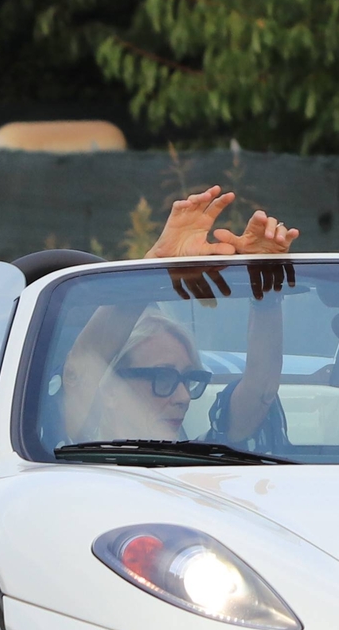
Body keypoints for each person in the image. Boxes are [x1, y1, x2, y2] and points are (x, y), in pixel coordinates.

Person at [57, 188, 298, 448]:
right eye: (164, 378)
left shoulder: (208, 456)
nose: (184, 397)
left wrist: (266, 291)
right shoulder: (69, 449)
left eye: (188, 379)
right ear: (110, 389)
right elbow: (83, 365)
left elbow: (261, 390)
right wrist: (153, 267)